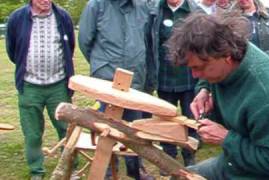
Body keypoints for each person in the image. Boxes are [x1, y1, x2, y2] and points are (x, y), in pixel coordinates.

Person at [166, 13, 269, 180]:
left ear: (226, 56)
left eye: (199, 68)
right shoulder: (230, 51)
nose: (195, 75)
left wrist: (226, 138)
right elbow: (205, 77)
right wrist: (204, 89)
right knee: (181, 177)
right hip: (236, 163)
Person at [78, 0, 156, 179]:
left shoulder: (142, 6)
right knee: (105, 126)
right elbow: (84, 41)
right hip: (107, 79)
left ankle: (136, 168)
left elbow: (148, 40)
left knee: (134, 128)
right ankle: (106, 169)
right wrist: (101, 64)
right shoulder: (96, 6)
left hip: (135, 78)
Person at [5, 0, 75, 179]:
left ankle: (70, 168)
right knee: (33, 133)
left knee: (66, 129)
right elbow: (13, 51)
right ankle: (36, 170)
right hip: (29, 86)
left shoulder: (63, 16)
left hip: (58, 84)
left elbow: (70, 47)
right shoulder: (17, 18)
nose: (45, 0)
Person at [148, 0, 200, 174]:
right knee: (165, 118)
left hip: (189, 76)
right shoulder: (155, 10)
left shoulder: (194, 10)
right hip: (164, 76)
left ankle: (189, 154)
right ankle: (168, 156)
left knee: (191, 118)